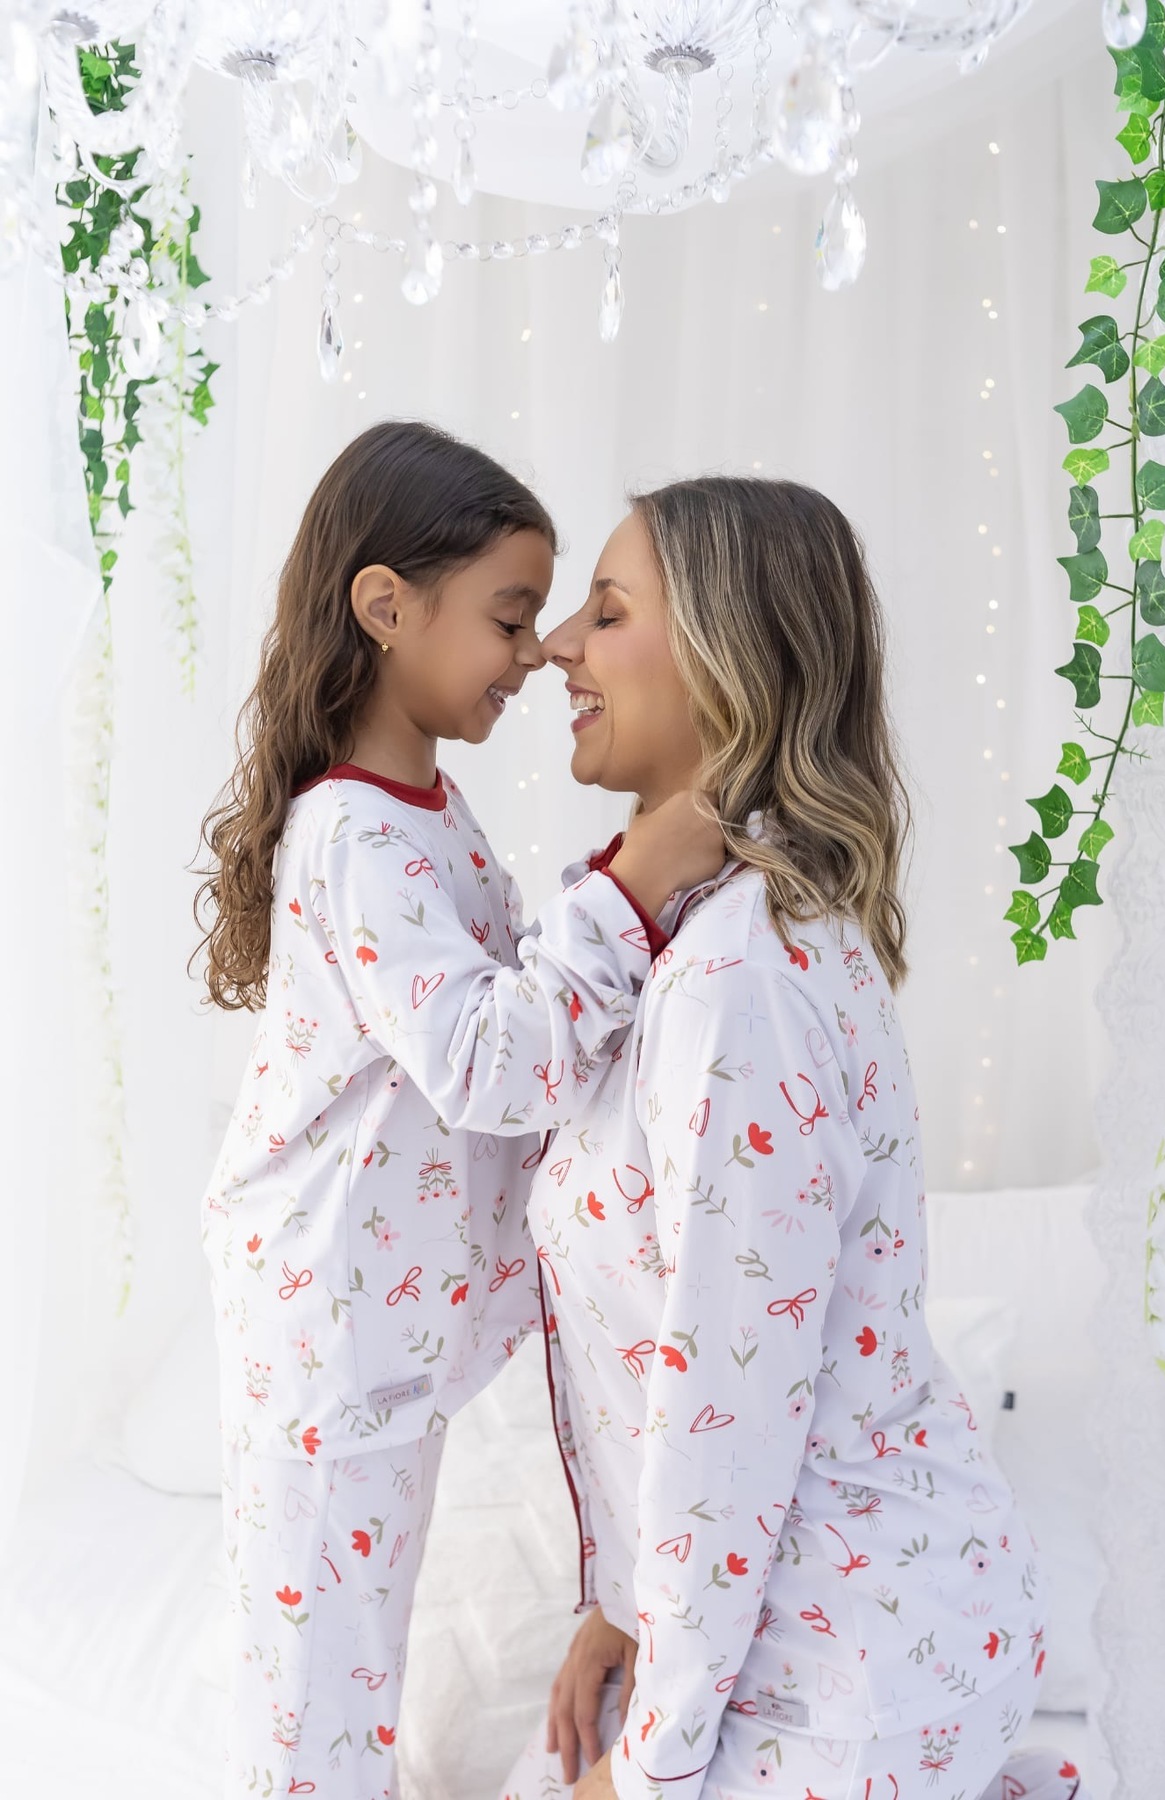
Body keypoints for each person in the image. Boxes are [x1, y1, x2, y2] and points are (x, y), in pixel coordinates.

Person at [500, 478, 1091, 1800]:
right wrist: (622, 1608)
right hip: (803, 1633)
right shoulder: (697, 946)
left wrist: (646, 1764)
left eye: (606, 614)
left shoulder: (737, 986)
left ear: (727, 662)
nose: (553, 650)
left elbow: (727, 1409)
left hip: (852, 1669)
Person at [194, 421, 725, 1800]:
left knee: (351, 1666)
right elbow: (490, 1061)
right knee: (316, 1700)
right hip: (325, 1332)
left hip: (377, 1327)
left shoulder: (423, 809)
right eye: (510, 616)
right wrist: (634, 880)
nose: (538, 653)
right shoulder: (355, 834)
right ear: (386, 608)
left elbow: (506, 1005)